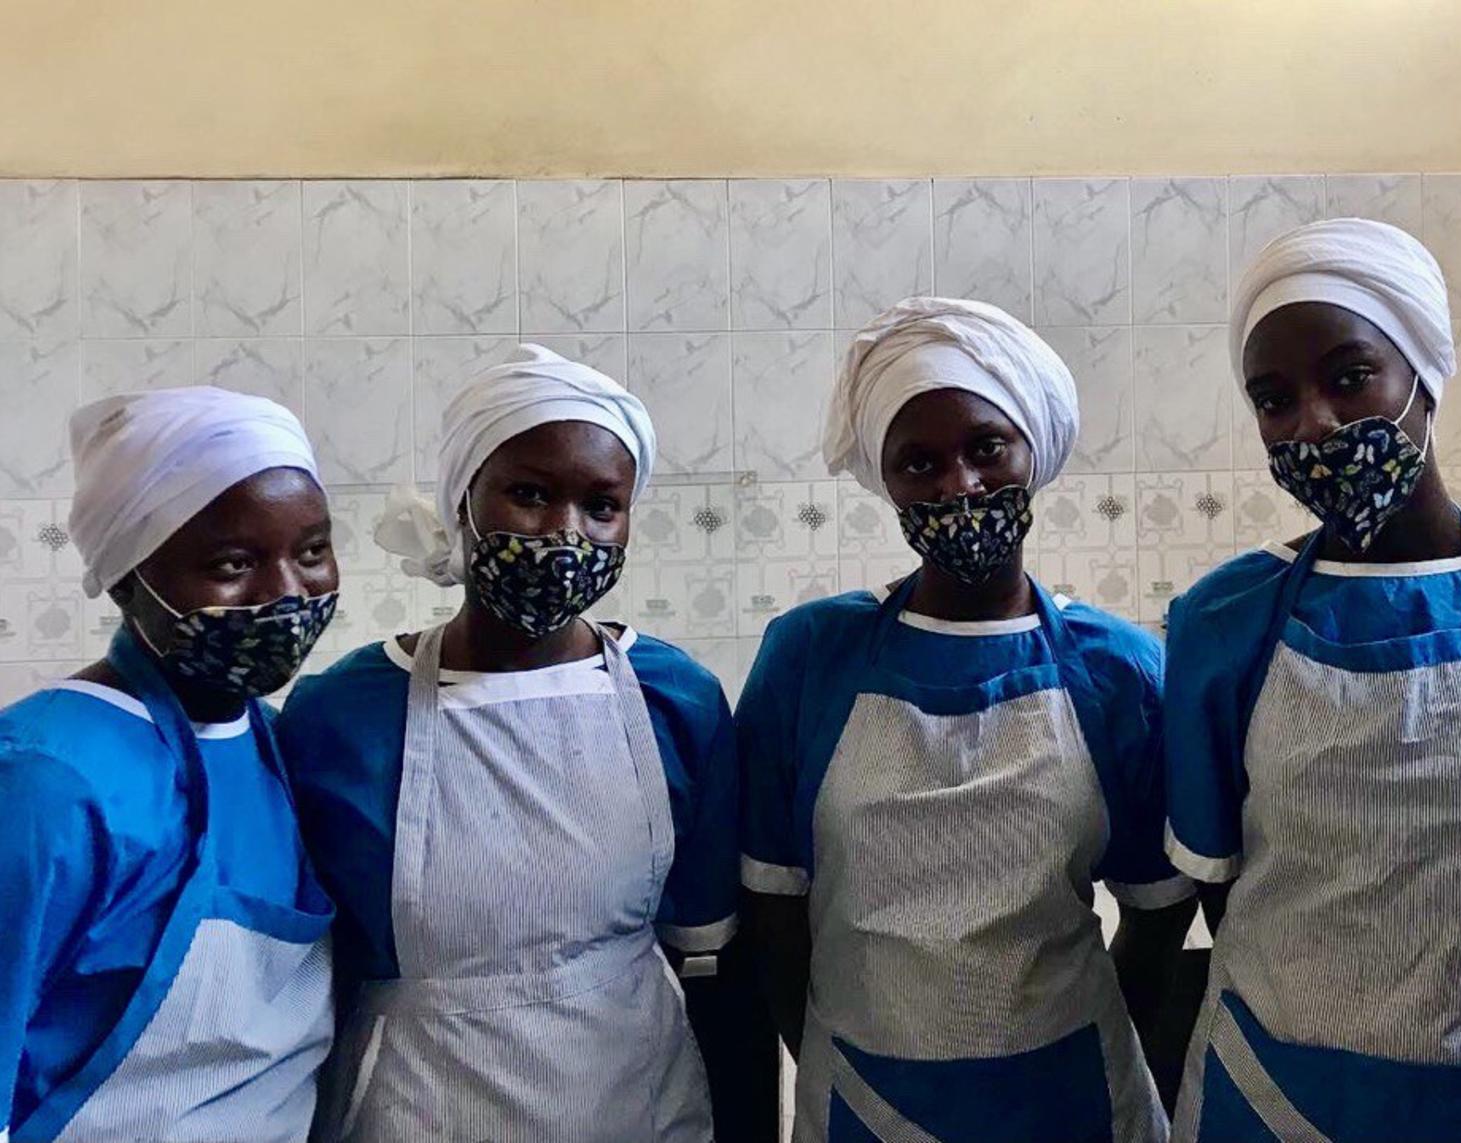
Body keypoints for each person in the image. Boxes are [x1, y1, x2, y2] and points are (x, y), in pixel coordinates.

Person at [1163, 219, 1461, 1142]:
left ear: (1423, 369)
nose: (1315, 423)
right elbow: (1221, 883)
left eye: (1350, 379)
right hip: (1262, 1097)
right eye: (1274, 398)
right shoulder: (1224, 620)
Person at [737, 296, 1195, 1141]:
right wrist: (838, 1041)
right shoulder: (811, 656)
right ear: (887, 480)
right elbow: (770, 904)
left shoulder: (1117, 668)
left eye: (986, 447)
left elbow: (1159, 904)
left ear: (1034, 451)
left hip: (1078, 1099)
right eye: (919, 463)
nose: (959, 485)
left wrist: (1063, 1033)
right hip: (865, 1101)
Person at [278, 344, 738, 1141]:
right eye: (528, 494)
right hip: (418, 1108)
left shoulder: (675, 700)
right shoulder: (339, 717)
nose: (565, 532)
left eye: (602, 505)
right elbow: (313, 979)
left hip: (635, 1105)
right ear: (463, 501)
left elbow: (715, 970)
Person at [0, 388, 340, 1142]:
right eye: (232, 563)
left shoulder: (275, 744)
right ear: (127, 578)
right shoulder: (46, 781)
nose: (287, 592)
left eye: (311, 551)